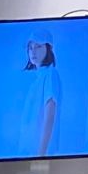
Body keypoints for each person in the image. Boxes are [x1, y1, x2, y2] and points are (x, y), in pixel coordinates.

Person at [20, 28, 62, 157]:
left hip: (40, 154)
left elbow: (49, 116)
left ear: (48, 48)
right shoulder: (37, 79)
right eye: (30, 47)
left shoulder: (50, 75)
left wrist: (41, 154)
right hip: (28, 152)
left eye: (38, 46)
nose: (33, 51)